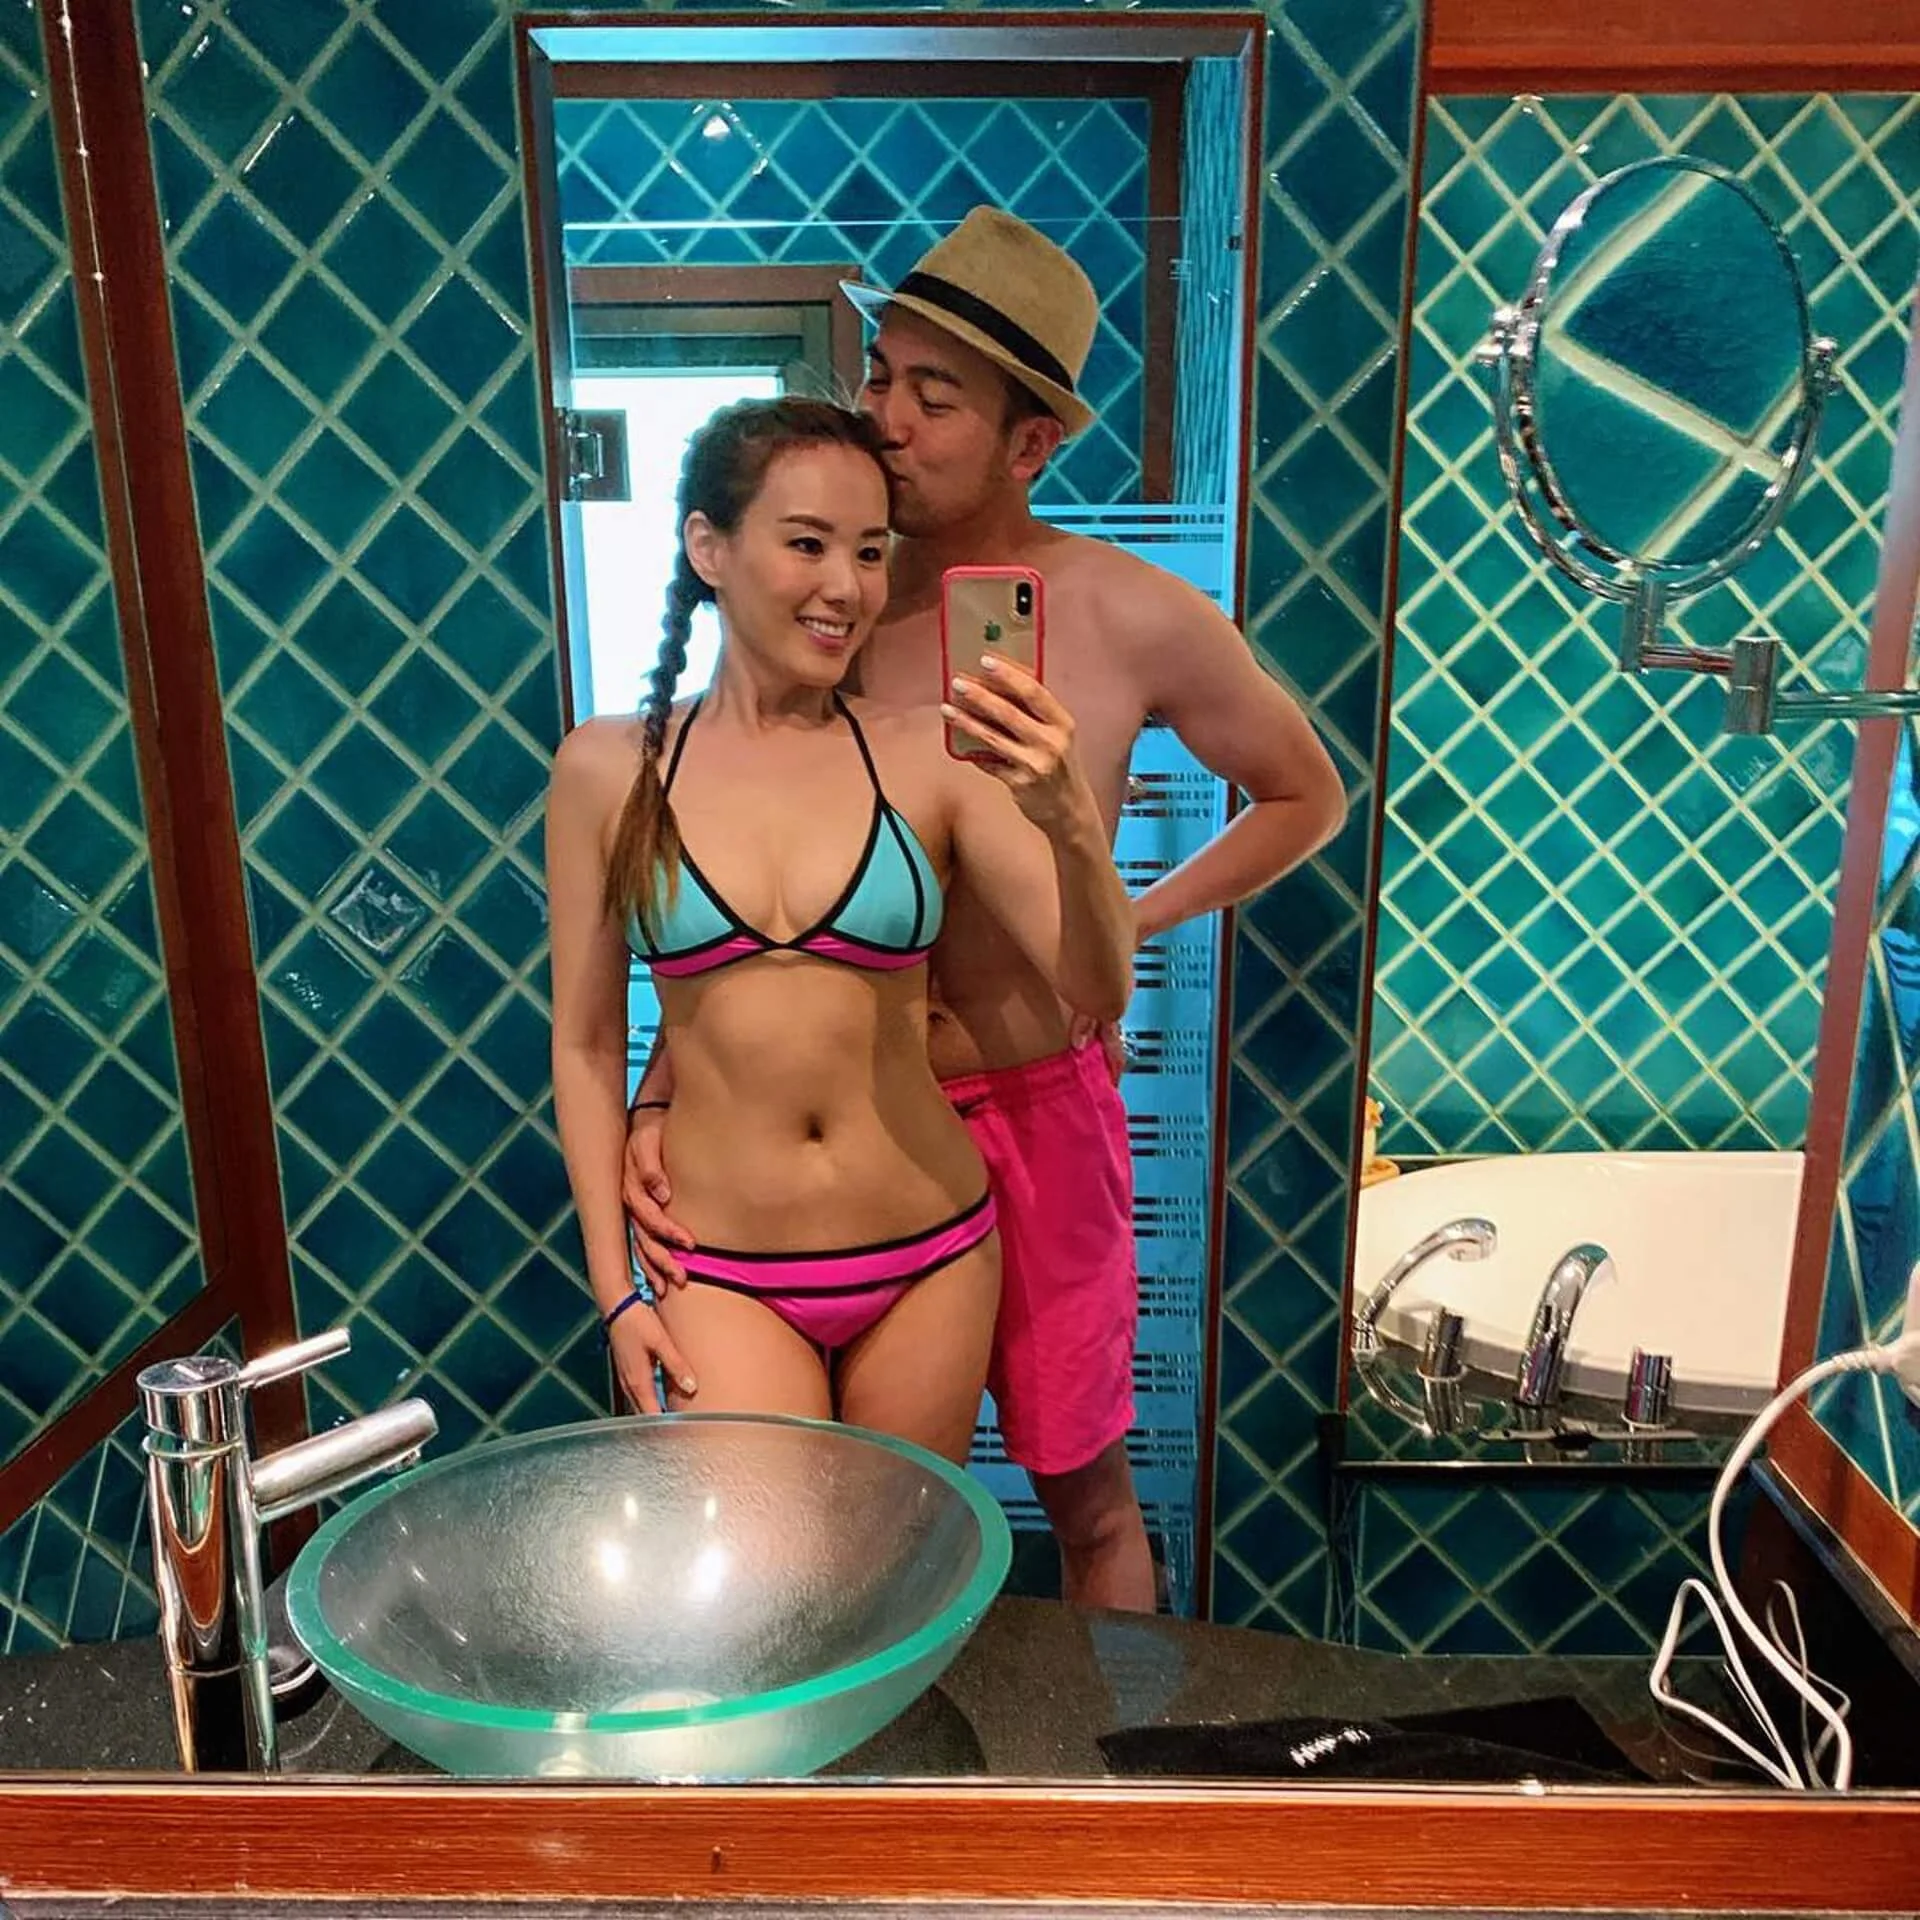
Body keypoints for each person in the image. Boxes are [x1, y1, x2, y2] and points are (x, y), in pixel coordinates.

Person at [629, 212, 1347, 1605]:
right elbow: (742, 897)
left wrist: (1125, 926)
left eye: (933, 395)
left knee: (1087, 1497)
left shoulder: (1132, 612)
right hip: (851, 1129)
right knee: (830, 1527)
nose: (885, 417)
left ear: (1032, 443)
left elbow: (1302, 795)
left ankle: (1107, 1741)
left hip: (1035, 1105)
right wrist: (666, 1089)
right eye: (880, 373)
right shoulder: (829, 601)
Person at [547, 396, 1134, 1465]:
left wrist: (1072, 827)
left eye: (869, 551)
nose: (847, 587)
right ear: (709, 548)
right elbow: (585, 1045)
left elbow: (1098, 986)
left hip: (929, 1251)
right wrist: (614, 1292)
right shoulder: (605, 768)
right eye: (807, 544)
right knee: (767, 1563)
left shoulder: (927, 755)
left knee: (902, 1563)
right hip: (717, 1267)